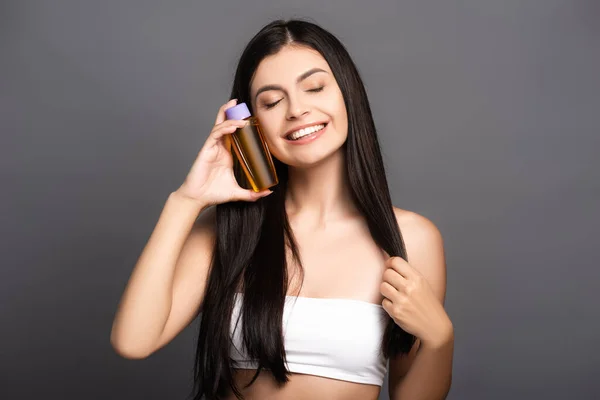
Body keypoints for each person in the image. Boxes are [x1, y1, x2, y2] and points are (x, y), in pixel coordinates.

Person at [110, 18, 454, 400]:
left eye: (315, 87)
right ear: (251, 125)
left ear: (348, 95)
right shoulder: (229, 230)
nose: (296, 110)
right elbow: (133, 342)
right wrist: (186, 201)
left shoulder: (411, 239)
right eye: (272, 101)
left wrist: (440, 338)